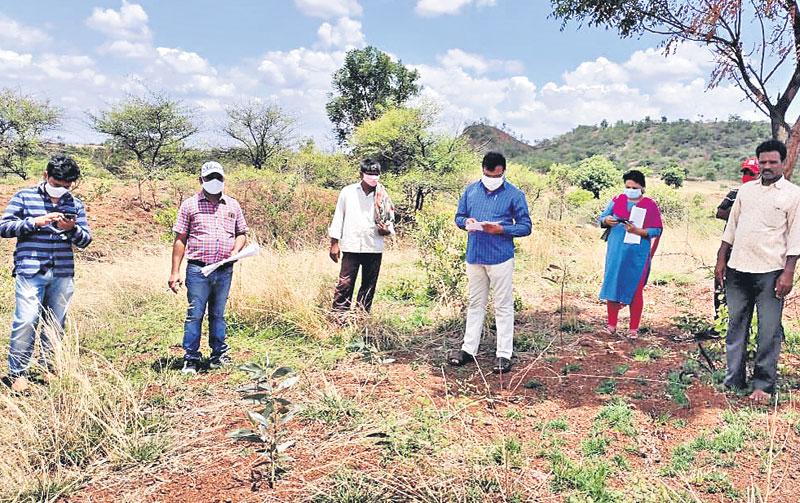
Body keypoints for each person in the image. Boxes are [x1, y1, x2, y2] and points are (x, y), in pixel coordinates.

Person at [715, 139, 800, 402]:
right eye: (762, 162)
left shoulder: (793, 194)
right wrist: (721, 259)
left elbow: (796, 236)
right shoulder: (746, 191)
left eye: (773, 162)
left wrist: (788, 272)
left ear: (783, 163)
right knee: (735, 326)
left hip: (771, 272)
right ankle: (734, 380)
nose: (767, 166)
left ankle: (763, 385)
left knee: (768, 330)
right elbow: (732, 228)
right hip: (738, 269)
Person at [0, 154, 92, 392]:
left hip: (62, 271)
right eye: (57, 184)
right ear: (46, 176)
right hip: (30, 270)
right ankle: (17, 372)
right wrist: (36, 222)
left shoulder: (75, 204)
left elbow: (85, 240)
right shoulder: (24, 197)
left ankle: (48, 367)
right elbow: (4, 227)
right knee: (27, 319)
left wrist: (71, 229)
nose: (61, 189)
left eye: (66, 186)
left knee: (55, 323)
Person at [448, 151, 532, 374]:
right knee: (475, 304)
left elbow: (526, 226)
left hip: (501, 257)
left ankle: (504, 354)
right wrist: (466, 221)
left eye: (494, 176)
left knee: (503, 306)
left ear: (503, 171)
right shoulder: (471, 190)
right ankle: (468, 349)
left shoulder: (514, 194)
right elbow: (458, 217)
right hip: (475, 256)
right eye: (487, 174)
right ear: (482, 170)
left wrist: (502, 229)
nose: (490, 179)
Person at [169, 161, 248, 374]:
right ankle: (191, 358)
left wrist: (235, 251)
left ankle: (218, 355)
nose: (215, 182)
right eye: (210, 177)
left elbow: (241, 233)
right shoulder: (189, 205)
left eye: (219, 178)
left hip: (224, 270)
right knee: (195, 314)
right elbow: (180, 239)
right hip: (198, 270)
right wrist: (175, 271)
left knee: (218, 314)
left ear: (224, 179)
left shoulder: (232, 205)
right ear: (201, 180)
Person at [598, 170, 663, 339]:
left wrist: (638, 231)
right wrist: (607, 220)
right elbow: (602, 218)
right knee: (613, 284)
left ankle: (633, 329)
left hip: (637, 254)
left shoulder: (650, 204)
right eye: (628, 186)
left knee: (635, 289)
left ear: (642, 187)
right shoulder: (617, 200)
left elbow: (657, 229)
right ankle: (611, 325)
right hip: (616, 250)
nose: (630, 189)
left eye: (634, 187)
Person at [328, 158, 395, 316]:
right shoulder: (348, 192)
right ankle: (338, 318)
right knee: (345, 283)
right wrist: (334, 243)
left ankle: (361, 319)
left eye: (376, 174)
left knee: (368, 285)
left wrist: (387, 230)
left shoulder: (383, 195)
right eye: (370, 174)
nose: (373, 177)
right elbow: (338, 218)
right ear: (361, 174)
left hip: (373, 247)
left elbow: (389, 219)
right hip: (351, 245)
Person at [707, 157, 760, 335]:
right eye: (745, 172)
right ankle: (720, 324)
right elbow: (720, 212)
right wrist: (741, 209)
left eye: (750, 173)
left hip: (755, 250)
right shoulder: (735, 192)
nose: (747, 175)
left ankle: (748, 328)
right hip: (730, 247)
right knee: (721, 285)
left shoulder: (767, 194)